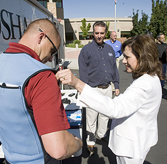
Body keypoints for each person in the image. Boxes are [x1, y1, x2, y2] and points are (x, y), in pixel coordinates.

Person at [0, 19, 82, 164]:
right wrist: (78, 143)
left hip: (10, 157)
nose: (51, 57)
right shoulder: (41, 76)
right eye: (53, 50)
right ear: (42, 37)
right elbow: (59, 149)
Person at [56, 34, 163, 164]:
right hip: (136, 139)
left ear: (142, 58)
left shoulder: (144, 84)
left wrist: (78, 84)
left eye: (128, 57)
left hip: (131, 146)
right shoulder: (150, 77)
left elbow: (115, 108)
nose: (124, 61)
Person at [78, 21, 120, 154]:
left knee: (105, 115)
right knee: (91, 117)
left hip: (107, 88)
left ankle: (101, 135)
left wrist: (116, 84)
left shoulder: (110, 50)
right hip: (93, 89)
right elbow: (83, 71)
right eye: (97, 33)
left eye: (102, 33)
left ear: (105, 33)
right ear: (93, 33)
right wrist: (85, 90)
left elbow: (114, 68)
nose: (99, 36)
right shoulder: (86, 50)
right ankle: (90, 142)